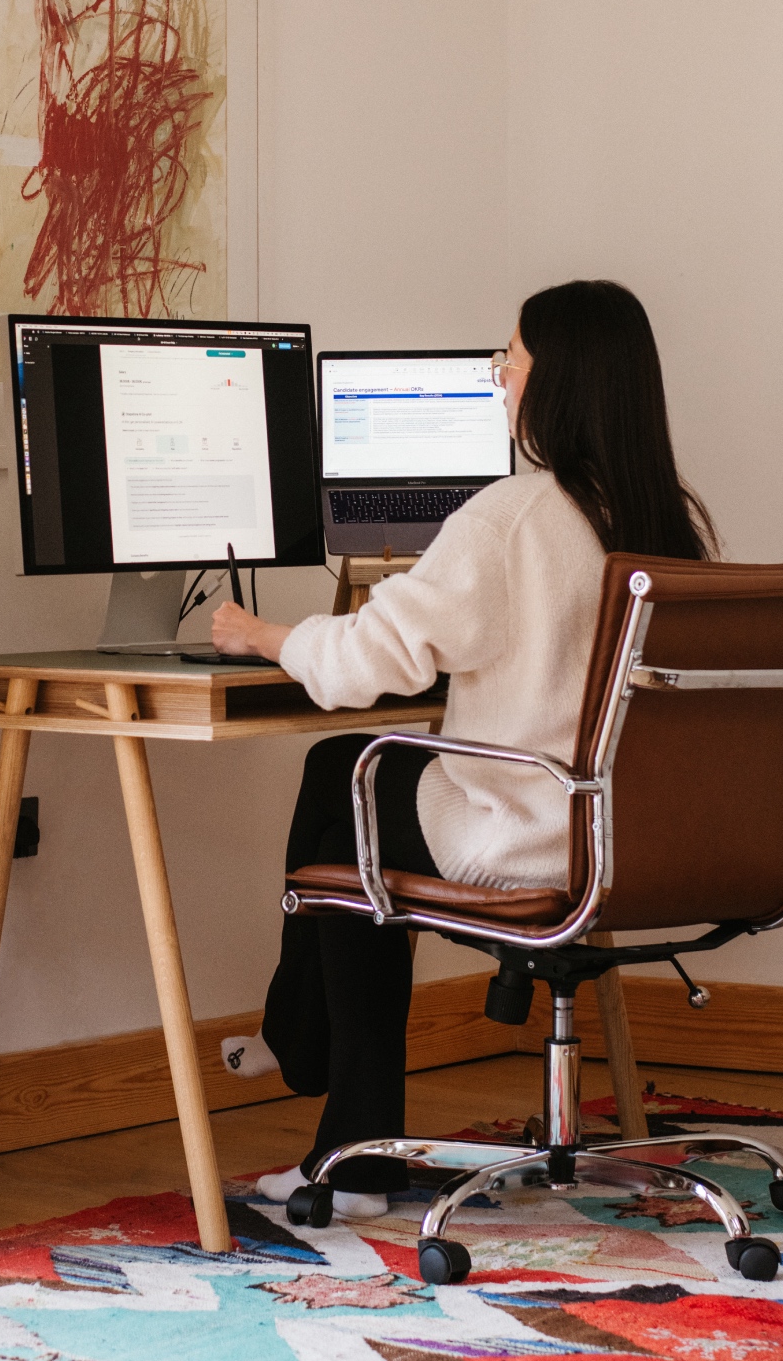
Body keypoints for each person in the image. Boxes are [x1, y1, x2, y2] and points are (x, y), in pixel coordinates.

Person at [210, 280, 716, 1219]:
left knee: (342, 772)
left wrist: (261, 634)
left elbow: (366, 658)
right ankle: (309, 1055)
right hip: (642, 841)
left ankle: (326, 1090)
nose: (501, 375)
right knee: (356, 784)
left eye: (510, 359)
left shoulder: (515, 517)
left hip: (528, 836)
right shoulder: (673, 525)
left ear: (553, 383)